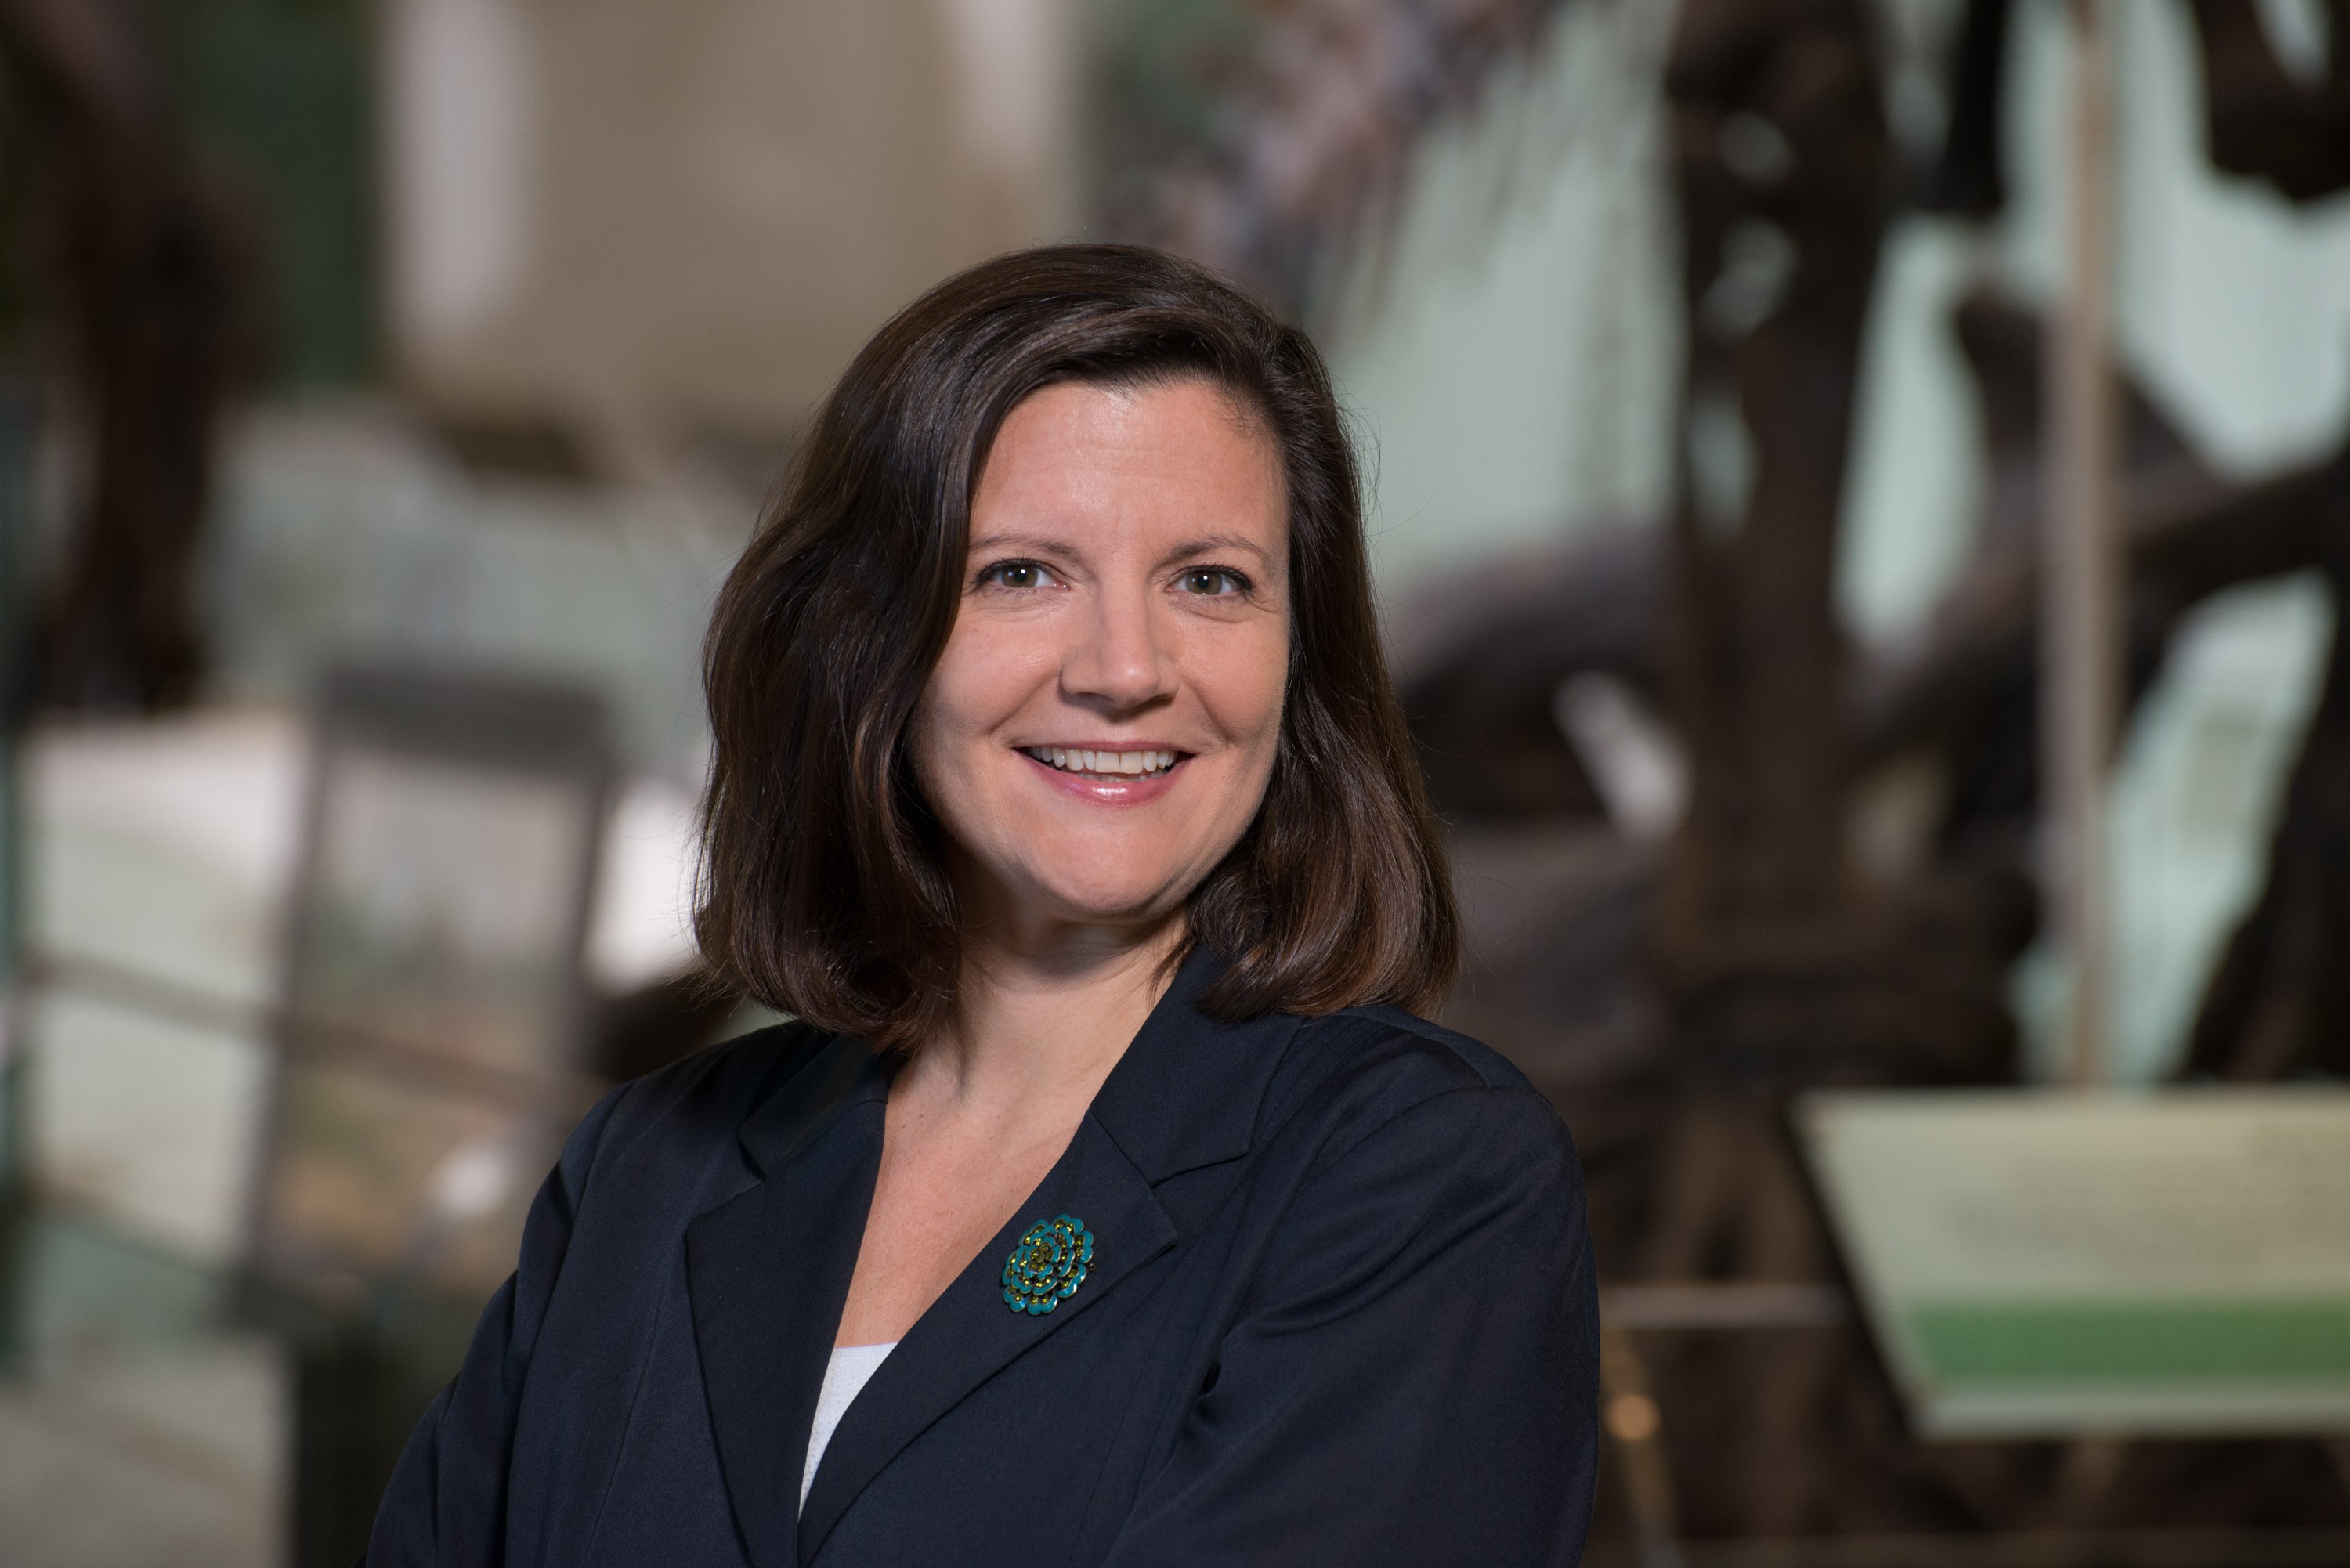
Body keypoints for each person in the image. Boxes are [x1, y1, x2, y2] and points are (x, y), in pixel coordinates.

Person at [366, 244, 1598, 1566]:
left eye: (1210, 581)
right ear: (866, 641)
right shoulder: (646, 1173)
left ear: (1299, 663)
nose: (1127, 669)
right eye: (1022, 572)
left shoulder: (1419, 1180)